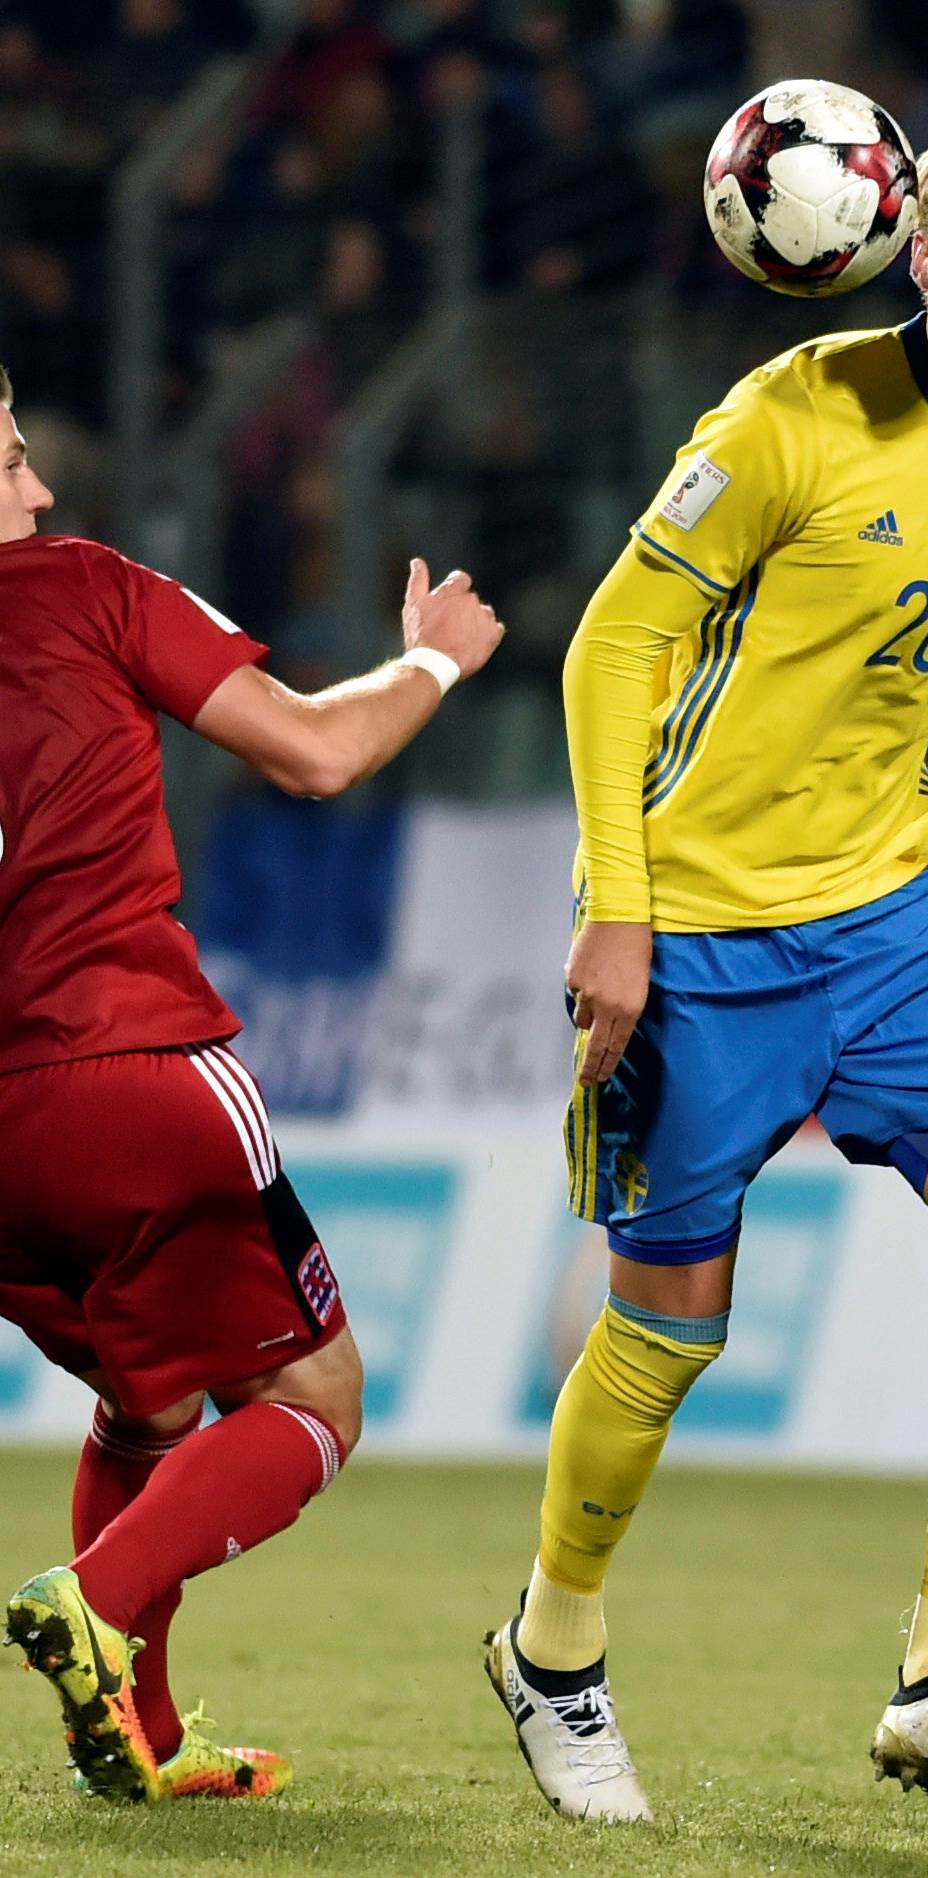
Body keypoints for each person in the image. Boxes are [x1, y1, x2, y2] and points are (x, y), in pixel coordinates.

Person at [483, 102, 928, 1825]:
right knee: (668, 1334)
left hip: (893, 915)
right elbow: (614, 648)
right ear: (910, 243)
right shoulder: (788, 415)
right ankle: (553, 1650)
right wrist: (620, 904)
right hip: (697, 932)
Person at [0, 362, 503, 1802]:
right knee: (314, 1396)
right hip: (133, 1068)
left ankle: (139, 1736)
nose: (38, 487)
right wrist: (438, 658)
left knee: (146, 1394)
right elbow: (317, 752)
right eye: (12, 457)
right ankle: (96, 1601)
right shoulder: (85, 587)